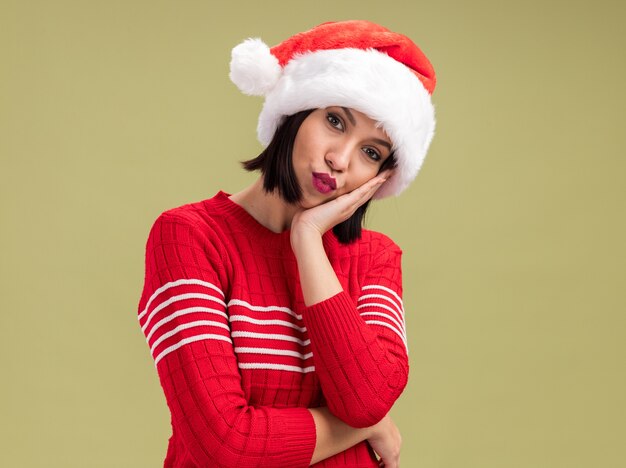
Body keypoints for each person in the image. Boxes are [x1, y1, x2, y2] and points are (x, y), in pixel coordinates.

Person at [137, 20, 436, 467]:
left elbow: (366, 401)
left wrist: (308, 241)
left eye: (371, 153)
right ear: (295, 112)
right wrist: (369, 429)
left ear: (380, 178)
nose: (340, 159)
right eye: (335, 121)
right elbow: (225, 446)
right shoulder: (189, 237)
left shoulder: (375, 259)